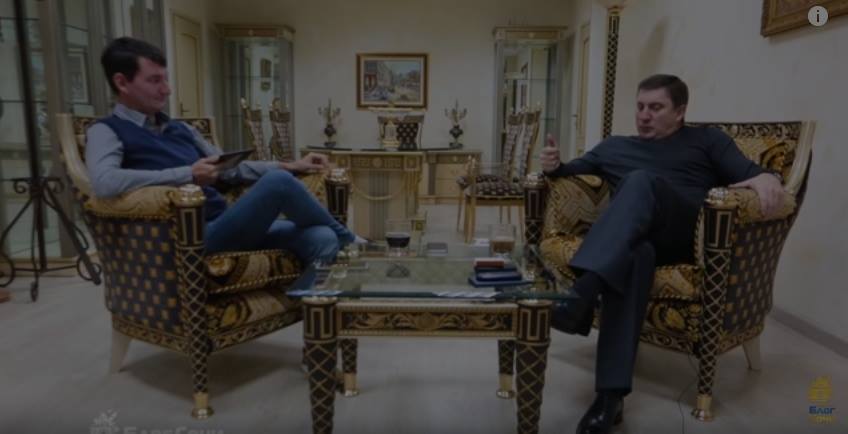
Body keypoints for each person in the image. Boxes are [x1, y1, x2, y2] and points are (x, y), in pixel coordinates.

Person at [539, 74, 784, 434]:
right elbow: (570, 171)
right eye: (640, 106)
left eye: (656, 107)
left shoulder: (707, 140)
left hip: (687, 235)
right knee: (634, 257)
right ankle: (609, 398)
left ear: (680, 112)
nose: (644, 115)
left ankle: (581, 294)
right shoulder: (614, 146)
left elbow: (753, 173)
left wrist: (767, 177)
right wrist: (553, 165)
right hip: (636, 239)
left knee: (641, 180)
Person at [86, 37, 354, 264]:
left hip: (226, 224)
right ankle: (351, 242)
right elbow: (104, 182)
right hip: (189, 239)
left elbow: (228, 169)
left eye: (166, 79)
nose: (166, 90)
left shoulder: (182, 129)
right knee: (279, 183)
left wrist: (291, 165)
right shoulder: (106, 131)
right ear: (122, 83)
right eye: (155, 80)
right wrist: (188, 174)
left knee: (322, 238)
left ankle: (305, 302)